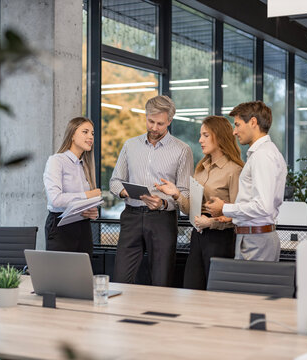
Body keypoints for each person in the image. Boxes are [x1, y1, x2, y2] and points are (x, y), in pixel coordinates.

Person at [110, 95, 193, 286]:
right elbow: (114, 182)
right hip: (131, 217)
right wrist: (126, 192)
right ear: (145, 116)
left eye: (160, 124)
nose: (154, 128)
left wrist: (163, 203)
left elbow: (185, 193)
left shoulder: (182, 150)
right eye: (151, 121)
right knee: (120, 278)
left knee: (161, 281)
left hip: (162, 220)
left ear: (170, 121)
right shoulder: (130, 145)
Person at [155, 116, 243, 289]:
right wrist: (176, 194)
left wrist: (211, 222)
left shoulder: (235, 170)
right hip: (198, 237)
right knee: (192, 288)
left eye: (205, 135)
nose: (200, 140)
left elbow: (239, 214)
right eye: (200, 135)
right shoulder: (201, 168)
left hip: (221, 239)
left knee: (217, 293)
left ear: (219, 136)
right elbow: (191, 209)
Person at [205, 101, 287, 262]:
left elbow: (263, 206)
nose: (234, 132)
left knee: (251, 287)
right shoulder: (262, 153)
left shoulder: (263, 156)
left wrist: (225, 208)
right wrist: (231, 214)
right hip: (252, 237)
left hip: (257, 239)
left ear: (253, 122)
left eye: (237, 125)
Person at [43, 117, 100, 256]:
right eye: (85, 132)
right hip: (60, 227)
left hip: (83, 227)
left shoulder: (85, 166)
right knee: (59, 276)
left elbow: (84, 203)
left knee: (82, 275)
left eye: (92, 133)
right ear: (72, 135)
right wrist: (87, 195)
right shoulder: (56, 161)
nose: (90, 137)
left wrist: (92, 212)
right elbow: (55, 200)